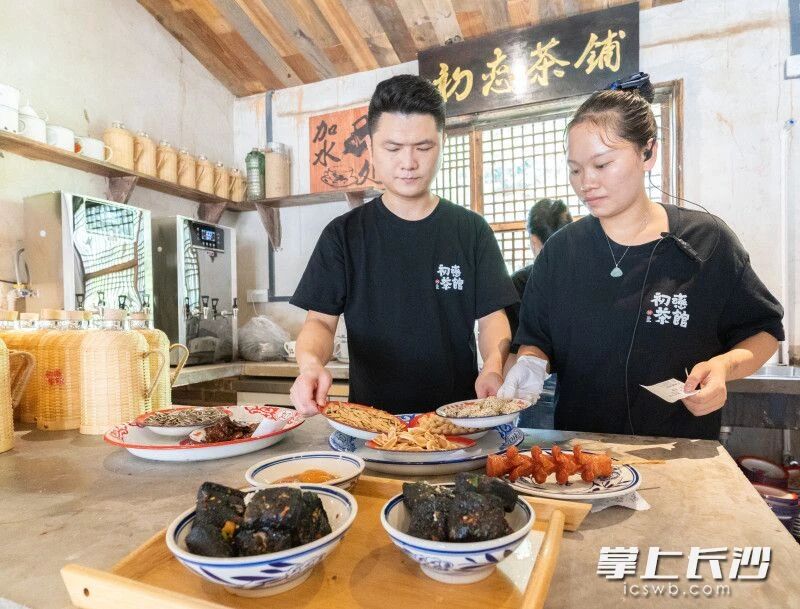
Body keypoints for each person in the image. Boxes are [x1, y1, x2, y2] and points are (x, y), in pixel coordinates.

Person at [498, 72, 784, 440]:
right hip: (581, 457)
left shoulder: (705, 241)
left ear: (648, 153)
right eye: (575, 170)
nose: (586, 183)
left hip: (681, 455)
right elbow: (536, 339)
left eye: (602, 165)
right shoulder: (560, 253)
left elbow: (764, 332)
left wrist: (723, 367)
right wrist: (530, 362)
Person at [290, 74, 518, 416]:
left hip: (457, 420)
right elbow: (320, 322)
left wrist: (493, 367)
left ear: (442, 143)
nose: (409, 163)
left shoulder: (471, 230)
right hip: (371, 423)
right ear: (370, 148)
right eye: (393, 148)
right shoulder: (343, 235)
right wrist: (309, 365)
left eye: (423, 148)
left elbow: (491, 318)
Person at [504, 199, 572, 430]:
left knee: (534, 449)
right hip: (582, 388)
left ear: (534, 241)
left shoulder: (521, 281)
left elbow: (513, 351)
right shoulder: (587, 276)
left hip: (534, 386)